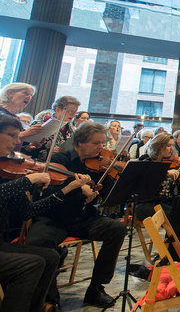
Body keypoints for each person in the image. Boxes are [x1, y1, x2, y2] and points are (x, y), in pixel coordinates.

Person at [25, 122, 127, 307]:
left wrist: (101, 190)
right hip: (54, 218)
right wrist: (79, 191)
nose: (101, 148)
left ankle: (96, 288)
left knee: (117, 228)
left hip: (83, 218)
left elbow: (104, 198)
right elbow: (45, 194)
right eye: (96, 143)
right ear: (80, 142)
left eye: (102, 143)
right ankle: (49, 296)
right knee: (38, 241)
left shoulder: (99, 166)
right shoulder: (60, 159)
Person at [0, 115, 94, 312]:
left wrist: (65, 191)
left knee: (50, 257)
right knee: (31, 264)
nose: (18, 142)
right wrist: (28, 181)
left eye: (19, 136)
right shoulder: (16, 177)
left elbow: (28, 211)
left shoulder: (11, 171)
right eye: (11, 136)